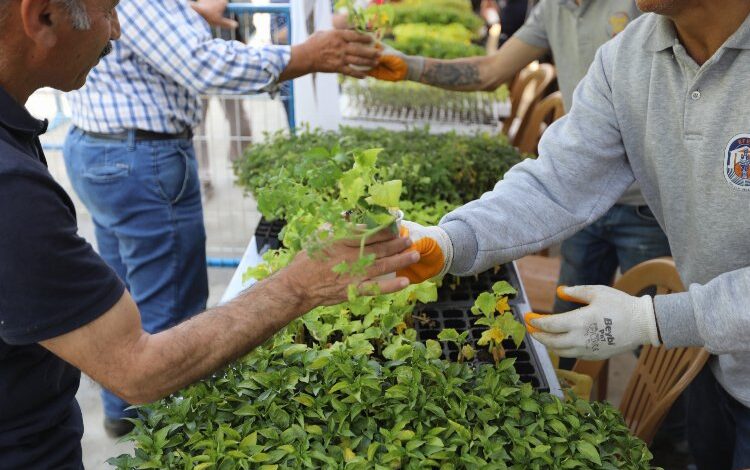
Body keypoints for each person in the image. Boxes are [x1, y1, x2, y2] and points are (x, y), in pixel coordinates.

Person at [0, 2, 417, 467]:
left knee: (123, 297)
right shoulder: (11, 190)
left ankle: (126, 420)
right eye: (110, 10)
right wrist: (302, 284)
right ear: (40, 17)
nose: (118, 31)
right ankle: (149, 433)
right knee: (168, 310)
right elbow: (137, 365)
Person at [392, 1, 750, 468]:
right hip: (721, 363)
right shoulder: (629, 56)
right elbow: (556, 182)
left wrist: (654, 321)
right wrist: (451, 241)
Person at [369, 0, 671, 361]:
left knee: (659, 353)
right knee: (570, 322)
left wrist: (652, 320)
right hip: (578, 192)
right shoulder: (565, 15)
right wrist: (448, 243)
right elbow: (493, 72)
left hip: (645, 206)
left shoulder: (645, 10)